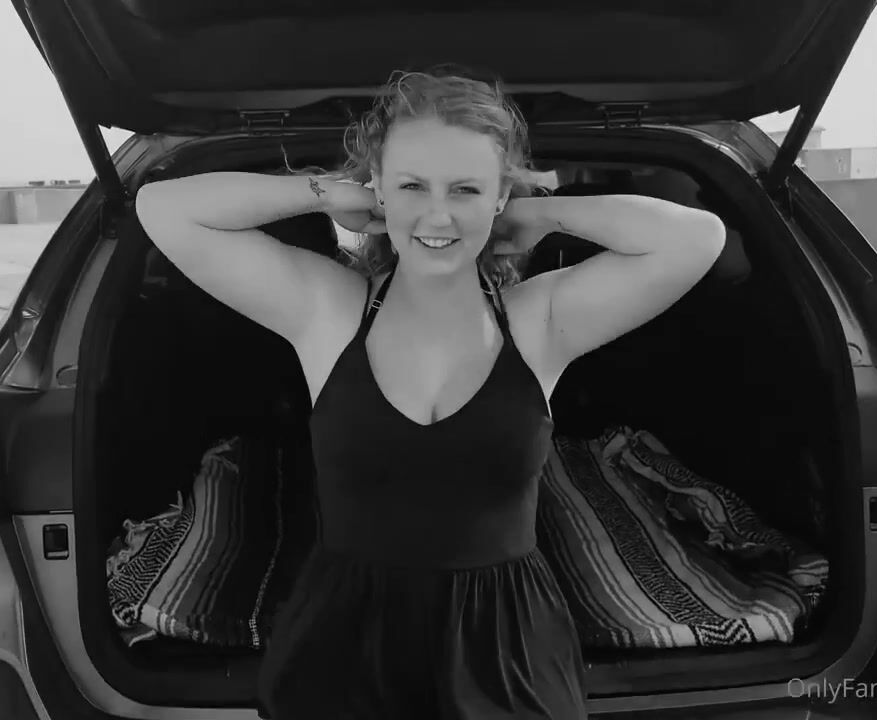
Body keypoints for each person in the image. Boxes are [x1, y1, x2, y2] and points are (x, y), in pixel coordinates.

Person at [135, 66, 726, 720]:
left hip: (504, 647)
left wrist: (538, 210)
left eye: (466, 189)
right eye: (412, 185)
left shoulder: (539, 321)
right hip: (343, 644)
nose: (437, 215)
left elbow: (696, 238)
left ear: (498, 195)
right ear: (380, 188)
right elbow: (163, 207)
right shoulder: (328, 311)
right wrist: (324, 193)